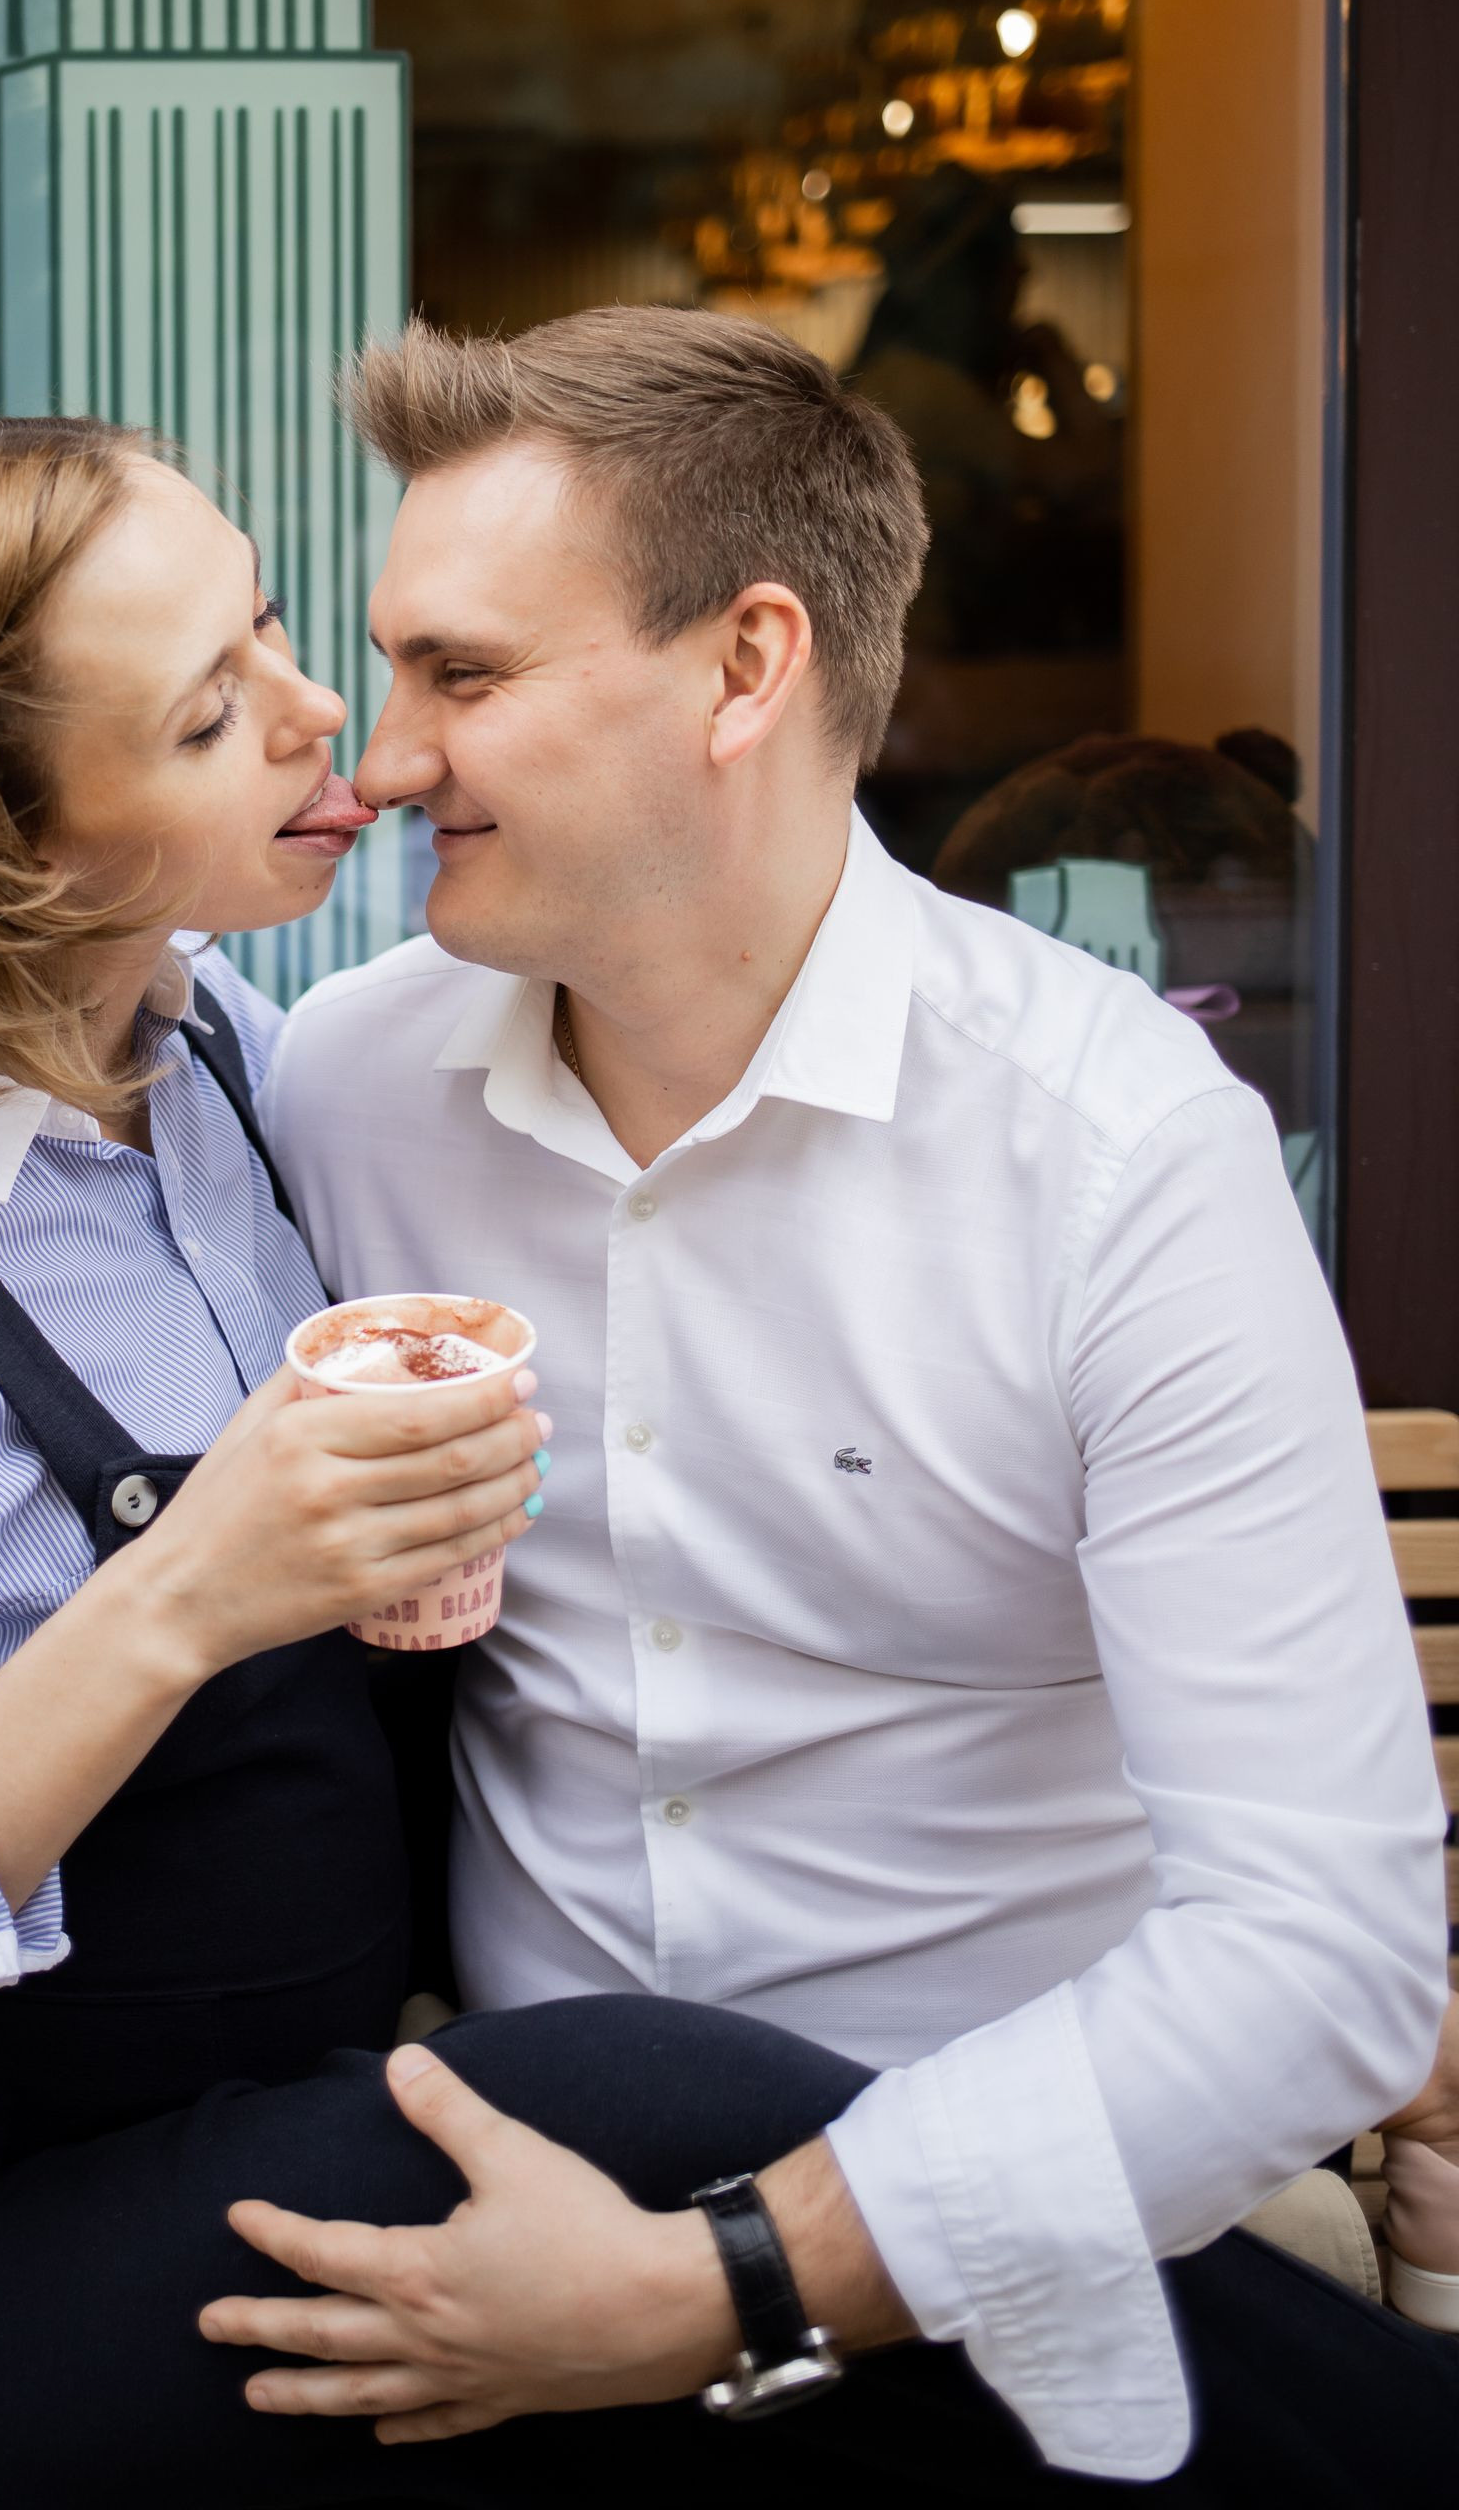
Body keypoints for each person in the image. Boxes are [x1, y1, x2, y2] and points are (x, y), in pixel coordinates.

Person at [0, 415, 1111, 2510]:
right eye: (214, 714)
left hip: (220, 2139)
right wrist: (184, 1589)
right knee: (653, 2102)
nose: (344, 731)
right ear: (14, 846)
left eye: (271, 626)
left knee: (738, 2313)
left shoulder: (233, 1075)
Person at [241, 307, 1457, 2497]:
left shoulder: (1109, 1148)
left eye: (466, 674)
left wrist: (730, 2281)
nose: (392, 755)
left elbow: (1322, 1959)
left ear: (745, 666)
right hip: (516, 2188)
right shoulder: (339, 1092)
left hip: (1064, 2188)